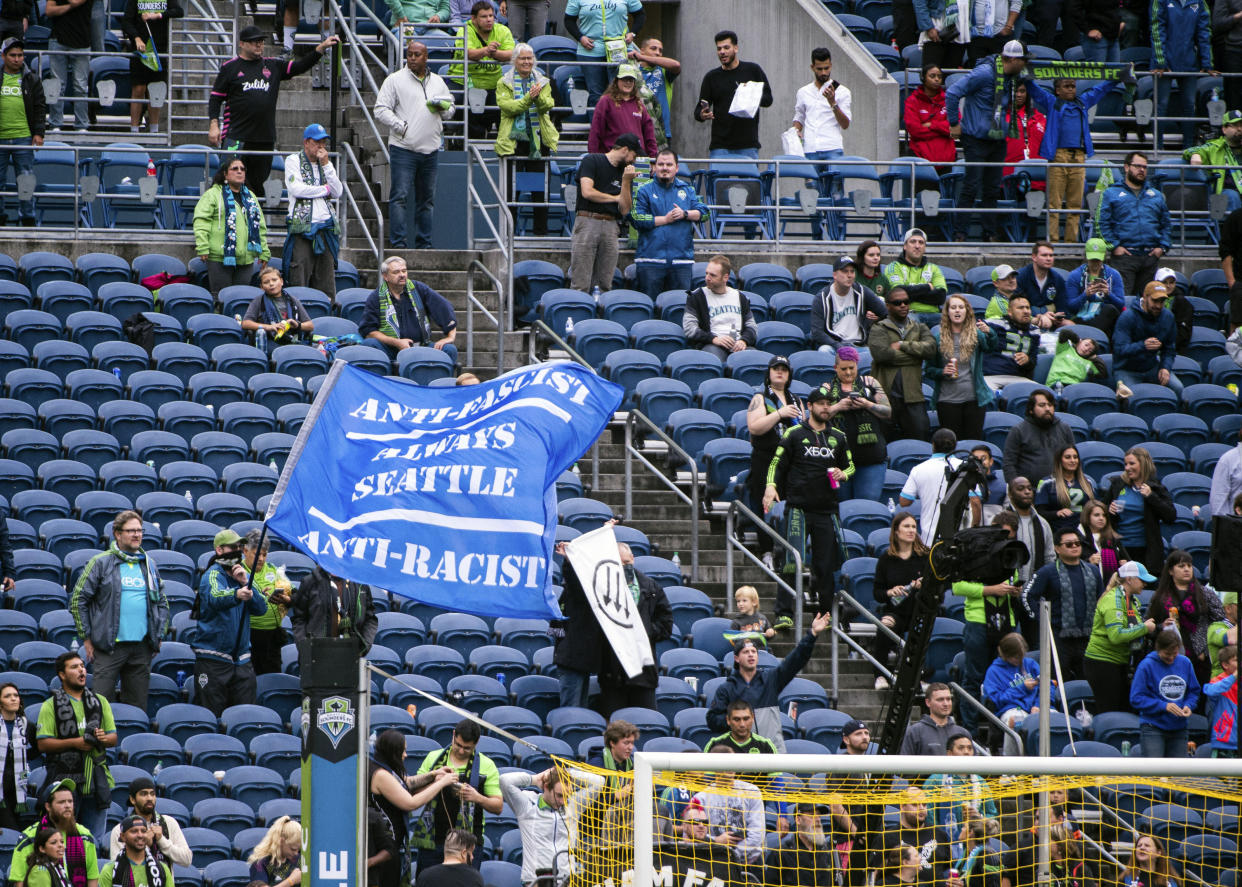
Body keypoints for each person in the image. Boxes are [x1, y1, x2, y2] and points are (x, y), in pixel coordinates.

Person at [208, 25, 340, 193]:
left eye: (261, 41)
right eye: (254, 41)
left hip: (264, 138)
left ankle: (254, 217)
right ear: (242, 43)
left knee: (256, 185)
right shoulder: (230, 67)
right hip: (236, 136)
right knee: (227, 181)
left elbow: (299, 66)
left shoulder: (273, 65)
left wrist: (320, 49)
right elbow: (215, 98)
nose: (259, 45)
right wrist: (213, 124)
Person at [763, 388, 854, 612]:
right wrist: (770, 485)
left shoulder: (839, 437)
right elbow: (776, 463)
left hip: (827, 511)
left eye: (828, 403)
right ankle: (784, 613)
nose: (825, 407)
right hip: (798, 509)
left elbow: (850, 466)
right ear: (810, 406)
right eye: (820, 403)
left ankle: (824, 614)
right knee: (791, 563)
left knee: (825, 566)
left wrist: (844, 474)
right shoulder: (793, 433)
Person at [68, 511, 167, 709]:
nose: (136, 535)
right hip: (108, 648)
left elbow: (161, 601)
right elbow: (78, 600)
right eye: (131, 531)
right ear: (117, 533)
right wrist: (86, 637)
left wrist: (158, 634)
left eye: (139, 531)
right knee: (100, 709)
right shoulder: (100, 562)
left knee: (137, 710)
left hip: (141, 648)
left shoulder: (148, 564)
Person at [945, 40, 1031, 243]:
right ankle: (960, 233)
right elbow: (952, 92)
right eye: (1023, 60)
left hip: (997, 138)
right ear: (1012, 59)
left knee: (993, 188)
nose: (1025, 64)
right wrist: (954, 122)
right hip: (975, 137)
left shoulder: (1012, 77)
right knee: (971, 186)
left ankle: (989, 233)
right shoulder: (984, 73)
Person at [706, 613, 831, 751]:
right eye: (746, 652)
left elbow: (795, 661)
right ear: (736, 658)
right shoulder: (727, 689)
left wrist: (812, 634)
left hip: (773, 752)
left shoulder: (770, 680)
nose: (751, 654)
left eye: (754, 651)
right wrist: (734, 719)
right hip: (741, 755)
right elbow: (712, 720)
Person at [376, 40, 454, 251]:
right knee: (399, 196)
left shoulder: (438, 81)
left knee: (426, 200)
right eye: (409, 54)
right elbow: (380, 109)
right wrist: (401, 126)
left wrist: (443, 109)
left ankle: (424, 245)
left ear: (426, 57)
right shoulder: (395, 80)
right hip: (403, 149)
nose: (412, 58)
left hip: (431, 150)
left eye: (417, 54)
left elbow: (450, 109)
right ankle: (399, 244)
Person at [1027, 77, 1124, 244]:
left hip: (1079, 157)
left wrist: (1116, 78)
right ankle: (1054, 243)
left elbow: (1100, 90)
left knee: (1075, 204)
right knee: (1054, 204)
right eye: (1067, 86)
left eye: (1073, 86)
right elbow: (1034, 90)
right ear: (1057, 90)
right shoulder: (1051, 102)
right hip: (1058, 156)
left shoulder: (1083, 102)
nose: (1071, 89)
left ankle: (1071, 243)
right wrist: (1025, 74)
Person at [953, 512, 1022, 730]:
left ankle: (997, 729)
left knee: (1003, 678)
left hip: (1005, 622)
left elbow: (1014, 581)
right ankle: (969, 731)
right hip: (978, 621)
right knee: (974, 678)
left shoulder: (1011, 554)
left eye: (1010, 536)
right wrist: (990, 589)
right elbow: (957, 587)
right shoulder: (974, 553)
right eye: (1003, 535)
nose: (1006, 541)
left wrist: (1014, 591)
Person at [36, 652, 116, 839]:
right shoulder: (50, 705)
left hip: (95, 781)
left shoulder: (100, 701)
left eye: (82, 666)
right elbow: (43, 744)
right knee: (61, 840)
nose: (81, 670)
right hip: (65, 782)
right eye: (74, 667)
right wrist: (75, 743)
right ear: (62, 675)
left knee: (92, 841)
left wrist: (103, 738)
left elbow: (113, 738)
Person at [369, 728, 460, 887]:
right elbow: (411, 803)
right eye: (402, 751)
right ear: (393, 752)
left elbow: (408, 783)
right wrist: (441, 783)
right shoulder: (381, 775)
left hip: (390, 844)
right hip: (383, 846)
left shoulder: (382, 765)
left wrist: (433, 774)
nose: (406, 755)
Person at [193, 528, 267, 717]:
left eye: (240, 547)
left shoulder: (242, 574)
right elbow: (215, 597)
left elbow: (261, 607)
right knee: (210, 716)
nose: (238, 551)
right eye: (233, 547)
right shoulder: (212, 574)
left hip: (242, 661)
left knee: (244, 717)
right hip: (213, 659)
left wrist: (244, 582)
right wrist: (236, 594)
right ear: (220, 550)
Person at [411, 720, 503, 870]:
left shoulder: (487, 765)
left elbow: (498, 806)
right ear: (453, 735)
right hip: (433, 839)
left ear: (476, 743)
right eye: (458, 745)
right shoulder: (433, 759)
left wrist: (477, 797)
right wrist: (436, 782)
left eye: (467, 748)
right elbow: (414, 793)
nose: (461, 751)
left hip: (468, 844)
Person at [745, 355, 804, 580]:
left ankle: (788, 552)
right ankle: (767, 550)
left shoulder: (795, 399)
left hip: (789, 461)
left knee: (791, 505)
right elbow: (755, 427)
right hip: (766, 457)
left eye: (784, 369)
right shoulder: (760, 397)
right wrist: (779, 414)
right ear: (768, 372)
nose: (780, 372)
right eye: (776, 369)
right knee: (765, 504)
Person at [596, 543, 672, 716]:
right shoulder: (602, 587)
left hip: (643, 673)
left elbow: (666, 623)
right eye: (619, 563)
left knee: (646, 723)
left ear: (633, 559)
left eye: (627, 562)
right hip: (613, 674)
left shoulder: (651, 587)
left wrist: (642, 632)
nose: (624, 567)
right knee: (615, 726)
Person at [1026, 526, 1104, 681]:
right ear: (1057, 548)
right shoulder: (1047, 572)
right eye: (1069, 544)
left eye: (1077, 543)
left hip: (1088, 638)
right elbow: (1028, 596)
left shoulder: (1093, 571)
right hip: (1058, 640)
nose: (1074, 546)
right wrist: (1043, 621)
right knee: (1058, 683)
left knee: (1088, 681)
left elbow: (1100, 600)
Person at [495, 42, 557, 236]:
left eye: (530, 58)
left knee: (540, 191)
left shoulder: (543, 81)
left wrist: (537, 98)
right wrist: (528, 98)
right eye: (522, 58)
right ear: (514, 60)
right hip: (513, 142)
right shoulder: (503, 82)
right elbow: (509, 107)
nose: (526, 62)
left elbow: (548, 105)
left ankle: (540, 233)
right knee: (511, 192)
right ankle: (508, 235)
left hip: (537, 142)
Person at [567, 133, 638, 293]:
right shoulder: (592, 160)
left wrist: (626, 182)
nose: (634, 160)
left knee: (605, 284)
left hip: (612, 225)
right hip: (588, 221)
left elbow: (625, 208)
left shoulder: (625, 173)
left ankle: (601, 316)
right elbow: (587, 192)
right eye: (634, 155)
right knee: (580, 283)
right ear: (625, 150)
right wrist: (614, 198)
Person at [630, 148, 706, 298]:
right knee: (650, 310)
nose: (665, 168)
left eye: (669, 164)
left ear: (676, 168)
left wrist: (685, 214)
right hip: (650, 261)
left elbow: (704, 213)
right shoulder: (643, 190)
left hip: (681, 261)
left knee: (678, 308)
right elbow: (636, 218)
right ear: (654, 167)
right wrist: (665, 219)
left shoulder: (688, 189)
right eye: (661, 164)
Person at [1147, 549, 1227, 690]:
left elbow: (1221, 621)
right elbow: (1148, 625)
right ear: (1171, 571)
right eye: (1181, 566)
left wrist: (1206, 650)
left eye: (1189, 566)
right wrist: (1161, 626)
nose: (1187, 570)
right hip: (1171, 657)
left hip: (1200, 658)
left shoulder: (1205, 593)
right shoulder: (1160, 597)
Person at [1084, 560, 1159, 712]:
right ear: (1129, 579)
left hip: (1121, 662)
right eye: (1142, 580)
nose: (1145, 584)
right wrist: (1144, 628)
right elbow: (1116, 636)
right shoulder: (1113, 600)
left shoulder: (1133, 600)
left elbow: (1134, 628)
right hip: (1102, 662)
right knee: (1109, 710)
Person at [193, 156, 270, 296]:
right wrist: (202, 246)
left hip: (246, 259)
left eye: (242, 169)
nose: (239, 171)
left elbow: (260, 227)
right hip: (219, 257)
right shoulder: (212, 195)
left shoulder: (251, 196)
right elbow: (201, 221)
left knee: (240, 298)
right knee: (221, 298)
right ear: (225, 174)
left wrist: (264, 251)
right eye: (235, 169)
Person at [360, 255, 459, 365]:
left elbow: (444, 307)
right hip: (390, 349)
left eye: (404, 271)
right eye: (396, 272)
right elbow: (369, 331)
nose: (402, 275)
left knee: (449, 349)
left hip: (421, 347)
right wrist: (397, 342)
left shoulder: (418, 289)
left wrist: (450, 337)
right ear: (385, 276)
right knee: (369, 344)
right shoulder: (376, 297)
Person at [868, 285, 938, 442]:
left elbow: (932, 349)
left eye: (906, 302)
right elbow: (882, 355)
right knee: (881, 442)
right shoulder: (879, 328)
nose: (903, 305)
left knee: (921, 438)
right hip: (884, 396)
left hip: (912, 395)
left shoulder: (919, 327)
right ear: (888, 306)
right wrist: (916, 357)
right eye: (897, 302)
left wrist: (903, 345)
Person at [822, 345, 890, 502]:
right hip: (837, 460)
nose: (848, 372)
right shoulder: (827, 388)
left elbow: (888, 412)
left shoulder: (870, 383)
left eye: (851, 368)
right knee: (841, 506)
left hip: (871, 457)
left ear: (857, 366)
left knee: (868, 505)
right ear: (835, 368)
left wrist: (867, 404)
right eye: (843, 369)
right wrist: (839, 406)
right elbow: (817, 416)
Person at [1097, 152, 1171, 295]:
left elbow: (1166, 223)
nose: (1141, 170)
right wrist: (1114, 246)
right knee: (1122, 301)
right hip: (1124, 258)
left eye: (1144, 167)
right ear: (1126, 167)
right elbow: (1101, 223)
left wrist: (1162, 247)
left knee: (1148, 303)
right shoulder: (1110, 193)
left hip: (1150, 258)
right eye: (1137, 166)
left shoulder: (1156, 195)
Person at [927, 294, 998, 442]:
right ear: (947, 312)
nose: (957, 311)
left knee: (973, 442)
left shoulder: (976, 334)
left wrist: (990, 333)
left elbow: (991, 348)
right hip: (947, 400)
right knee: (953, 444)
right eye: (953, 308)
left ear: (967, 311)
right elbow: (928, 369)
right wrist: (942, 371)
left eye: (961, 307)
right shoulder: (937, 336)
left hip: (974, 399)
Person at [693, 30, 773, 158]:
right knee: (719, 178)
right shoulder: (711, 77)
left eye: (726, 47)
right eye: (719, 49)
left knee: (749, 178)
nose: (722, 52)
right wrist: (702, 115)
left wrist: (750, 93)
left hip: (748, 143)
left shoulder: (753, 70)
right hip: (720, 145)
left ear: (736, 48)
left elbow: (768, 100)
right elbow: (698, 110)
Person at [281, 123, 341, 295]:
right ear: (306, 142)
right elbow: (297, 190)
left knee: (326, 281)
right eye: (317, 142)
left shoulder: (325, 164)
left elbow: (337, 191)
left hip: (326, 227)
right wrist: (324, 190)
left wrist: (327, 165)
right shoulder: (294, 160)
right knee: (299, 277)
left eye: (324, 142)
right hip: (303, 228)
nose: (321, 146)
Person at [873, 512, 930, 691]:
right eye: (907, 526)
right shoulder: (886, 559)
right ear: (896, 531)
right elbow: (877, 593)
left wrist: (925, 584)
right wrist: (890, 592)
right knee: (885, 625)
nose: (911, 530)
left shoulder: (925, 557)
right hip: (897, 612)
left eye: (914, 526)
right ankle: (880, 675)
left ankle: (920, 677)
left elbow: (939, 587)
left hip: (920, 611)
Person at [899, 428, 983, 546]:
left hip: (929, 541)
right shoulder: (966, 469)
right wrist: (973, 530)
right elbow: (975, 502)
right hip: (960, 541)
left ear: (933, 445)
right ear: (955, 446)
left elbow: (904, 502)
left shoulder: (918, 470)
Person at [11, 780, 101, 887]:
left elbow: (92, 879)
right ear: (48, 807)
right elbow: (19, 881)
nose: (67, 806)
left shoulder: (85, 836)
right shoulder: (30, 837)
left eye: (70, 801)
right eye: (61, 802)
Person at [1150, 0, 1213, 151]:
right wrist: (1161, 62)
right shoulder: (1160, 1)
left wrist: (1207, 63)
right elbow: (1157, 29)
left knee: (1189, 106)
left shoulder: (1199, 2)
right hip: (1164, 65)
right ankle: (1157, 148)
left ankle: (1189, 148)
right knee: (1161, 105)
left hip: (1189, 62)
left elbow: (1205, 32)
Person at [688, 742, 765, 865]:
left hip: (750, 863)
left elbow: (757, 834)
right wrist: (717, 841)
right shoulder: (699, 799)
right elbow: (692, 835)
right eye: (726, 762)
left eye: (733, 762)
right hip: (715, 863)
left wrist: (733, 857)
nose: (730, 766)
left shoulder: (752, 792)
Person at [1104, 446, 1176, 574]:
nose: (1127, 468)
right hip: (1121, 548)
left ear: (1143, 464)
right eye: (1125, 464)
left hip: (1146, 551)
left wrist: (1151, 497)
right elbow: (1101, 512)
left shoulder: (1155, 487)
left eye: (1132, 463)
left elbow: (1170, 516)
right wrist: (1109, 510)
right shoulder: (1118, 485)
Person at [1131, 628, 1200, 757]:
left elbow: (1193, 692)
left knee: (1177, 775)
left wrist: (1189, 705)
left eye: (1174, 654)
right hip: (1153, 727)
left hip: (1179, 729)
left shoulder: (1185, 663)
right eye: (1167, 654)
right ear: (1158, 649)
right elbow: (1136, 698)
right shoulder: (1146, 665)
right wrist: (1164, 706)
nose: (1171, 658)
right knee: (1155, 774)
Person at [562, 0, 644, 105]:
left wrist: (633, 33)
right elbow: (569, 20)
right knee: (596, 95)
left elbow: (640, 14)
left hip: (620, 49)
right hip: (590, 51)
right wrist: (580, 37)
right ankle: (597, 121)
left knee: (621, 93)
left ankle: (619, 121)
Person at [451, 1, 514, 139]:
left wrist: (493, 53)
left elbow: (511, 54)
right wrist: (487, 50)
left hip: (493, 84)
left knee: (508, 104)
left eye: (491, 15)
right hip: (463, 82)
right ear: (473, 19)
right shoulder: (464, 30)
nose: (489, 19)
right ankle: (467, 140)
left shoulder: (502, 30)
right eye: (484, 16)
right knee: (462, 104)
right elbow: (469, 53)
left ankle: (505, 144)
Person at [119, 0, 181, 134]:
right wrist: (136, 38)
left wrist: (157, 15)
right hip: (140, 51)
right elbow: (126, 22)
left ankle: (154, 130)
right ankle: (134, 130)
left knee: (155, 90)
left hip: (159, 50)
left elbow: (179, 11)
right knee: (138, 89)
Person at [0, 37, 43, 227]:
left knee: (26, 180)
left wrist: (39, 133)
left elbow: (40, 107)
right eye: (12, 55)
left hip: (23, 137)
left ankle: (27, 218)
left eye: (20, 55)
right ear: (3, 56)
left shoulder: (32, 79)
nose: (17, 59)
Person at [499, 769, 568, 886]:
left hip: (565, 880)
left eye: (566, 796)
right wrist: (534, 779)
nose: (562, 801)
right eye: (559, 795)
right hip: (535, 881)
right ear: (546, 786)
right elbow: (504, 781)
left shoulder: (572, 806)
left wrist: (569, 773)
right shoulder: (527, 804)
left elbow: (599, 781)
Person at [683, 254, 759, 360]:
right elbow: (689, 328)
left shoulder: (740, 297)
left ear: (725, 277)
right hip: (712, 345)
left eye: (713, 275)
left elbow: (752, 327)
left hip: (738, 344)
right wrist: (714, 339)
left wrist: (744, 341)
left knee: (755, 360)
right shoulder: (696, 297)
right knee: (712, 359)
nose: (707, 278)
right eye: (706, 274)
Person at [290, 565, 378, 657]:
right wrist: (305, 649)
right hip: (315, 656)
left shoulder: (360, 584)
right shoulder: (310, 582)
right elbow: (299, 619)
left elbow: (370, 618)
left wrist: (365, 645)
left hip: (351, 655)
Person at [1113, 281, 1182, 395]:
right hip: (1127, 369)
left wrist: (1165, 367)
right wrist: (1143, 345)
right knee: (1131, 396)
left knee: (1177, 388)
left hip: (1151, 367)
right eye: (1155, 301)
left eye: (1162, 301)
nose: (1159, 305)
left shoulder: (1168, 317)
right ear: (1145, 297)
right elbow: (1119, 349)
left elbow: (1169, 349)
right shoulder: (1128, 317)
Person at [922, 729, 998, 832]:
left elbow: (992, 814)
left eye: (970, 748)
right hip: (943, 842)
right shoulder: (935, 780)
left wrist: (979, 817)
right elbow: (929, 817)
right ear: (950, 753)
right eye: (961, 748)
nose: (966, 752)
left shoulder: (980, 782)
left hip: (975, 840)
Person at [810, 256, 886, 358]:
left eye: (852, 271)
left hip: (859, 347)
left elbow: (886, 313)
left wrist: (877, 320)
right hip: (834, 347)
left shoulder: (862, 291)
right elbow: (817, 332)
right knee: (824, 351)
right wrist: (837, 346)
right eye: (845, 271)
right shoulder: (822, 297)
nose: (849, 275)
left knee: (873, 354)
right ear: (835, 275)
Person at [106, 776, 190, 867]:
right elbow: (118, 869)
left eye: (152, 794)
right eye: (144, 794)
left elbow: (186, 859)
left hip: (166, 881)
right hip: (133, 881)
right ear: (132, 799)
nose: (149, 798)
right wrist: (144, 845)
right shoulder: (121, 830)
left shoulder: (169, 823)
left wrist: (161, 840)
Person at [981, 632, 1042, 755]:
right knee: (1015, 721)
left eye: (1022, 656)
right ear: (1005, 655)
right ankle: (1011, 766)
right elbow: (996, 700)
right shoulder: (994, 672)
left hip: (1035, 706)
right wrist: (1022, 688)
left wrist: (1038, 705)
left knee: (1055, 718)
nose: (1019, 660)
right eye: (1015, 657)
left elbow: (1047, 686)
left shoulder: (1030, 664)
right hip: (1011, 708)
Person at [1002, 389, 1076, 484]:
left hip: (1059, 489)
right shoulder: (1018, 430)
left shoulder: (1065, 429)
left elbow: (1073, 460)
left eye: (1050, 405)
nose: (1047, 409)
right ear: (1031, 410)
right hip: (1028, 492)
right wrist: (1016, 487)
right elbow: (1009, 464)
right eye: (1042, 405)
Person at [793, 47, 850, 166]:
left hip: (832, 147)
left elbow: (845, 124)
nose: (823, 72)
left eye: (826, 68)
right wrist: (796, 131)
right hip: (810, 148)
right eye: (819, 69)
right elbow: (799, 116)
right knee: (812, 184)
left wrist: (833, 103)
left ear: (831, 66)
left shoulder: (843, 91)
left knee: (835, 183)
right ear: (812, 67)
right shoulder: (803, 92)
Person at [1059, 238, 1125, 336]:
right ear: (1086, 256)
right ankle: (1092, 337)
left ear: (1103, 257)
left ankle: (1092, 338)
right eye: (1092, 259)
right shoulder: (1075, 275)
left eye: (1098, 259)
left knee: (1110, 309)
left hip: (1106, 317)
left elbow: (1120, 305)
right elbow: (1070, 307)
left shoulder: (1114, 275)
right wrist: (1085, 295)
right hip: (1081, 317)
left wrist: (1108, 294)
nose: (1095, 263)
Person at [588, 64, 656, 157]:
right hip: (613, 160)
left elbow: (649, 134)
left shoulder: (639, 104)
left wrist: (653, 158)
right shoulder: (606, 101)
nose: (628, 82)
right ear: (616, 81)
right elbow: (596, 131)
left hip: (637, 160)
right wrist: (593, 158)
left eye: (631, 80)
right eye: (624, 79)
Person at [241, 266, 314, 350]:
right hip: (270, 341)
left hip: (292, 340)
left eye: (274, 280)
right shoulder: (258, 301)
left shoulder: (293, 300)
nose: (271, 284)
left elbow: (310, 326)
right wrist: (269, 327)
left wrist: (297, 325)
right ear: (261, 287)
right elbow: (245, 323)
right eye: (266, 282)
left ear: (282, 281)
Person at [43, 0, 90, 132]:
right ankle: (55, 124)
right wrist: (70, 7)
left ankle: (81, 125)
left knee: (80, 86)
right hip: (58, 40)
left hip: (82, 42)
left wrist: (63, 6)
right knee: (56, 85)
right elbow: (49, 11)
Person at [765, 802, 837, 887]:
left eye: (819, 815)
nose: (818, 819)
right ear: (798, 820)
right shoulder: (781, 854)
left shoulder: (828, 852)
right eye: (811, 815)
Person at [1185, 110, 1242, 213]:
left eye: (1241, 125)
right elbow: (1188, 151)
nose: (1240, 129)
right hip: (1226, 193)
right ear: (1224, 129)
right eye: (1235, 125)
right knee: (1232, 196)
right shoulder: (1214, 147)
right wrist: (1196, 155)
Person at [882, 229, 948, 315]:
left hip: (934, 315)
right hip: (908, 315)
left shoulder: (934, 268)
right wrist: (927, 287)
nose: (917, 246)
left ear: (925, 247)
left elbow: (941, 297)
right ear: (905, 246)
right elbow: (898, 294)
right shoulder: (894, 267)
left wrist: (910, 294)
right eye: (913, 242)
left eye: (921, 242)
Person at [983, 290, 1039, 390]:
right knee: (988, 394)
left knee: (1041, 393)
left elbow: (1033, 362)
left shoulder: (1034, 331)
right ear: (1010, 312)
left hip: (1019, 378)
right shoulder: (996, 324)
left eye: (1027, 308)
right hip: (992, 376)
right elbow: (972, 328)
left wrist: (1027, 360)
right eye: (1020, 308)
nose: (1026, 311)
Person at [1034, 445, 1095, 535]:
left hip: (1083, 532)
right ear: (1059, 460)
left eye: (1075, 457)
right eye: (1067, 457)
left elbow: (1094, 508)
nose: (1072, 461)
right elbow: (1039, 513)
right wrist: (1057, 513)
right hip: (1056, 532)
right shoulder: (1046, 483)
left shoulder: (1087, 483)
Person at [631, 35, 678, 150]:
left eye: (660, 50)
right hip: (637, 131)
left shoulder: (664, 71)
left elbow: (676, 66)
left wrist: (643, 58)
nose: (657, 53)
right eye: (653, 48)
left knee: (662, 167)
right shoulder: (632, 71)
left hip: (661, 132)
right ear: (642, 50)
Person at [1008, 477, 1055, 591]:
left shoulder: (1043, 523)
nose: (1027, 491)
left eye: (1029, 488)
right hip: (1008, 593)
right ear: (1010, 494)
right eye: (1021, 488)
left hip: (1037, 592)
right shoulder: (1003, 522)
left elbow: (1049, 559)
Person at [905, 64, 955, 171]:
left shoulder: (949, 100)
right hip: (921, 158)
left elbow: (955, 128)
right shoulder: (912, 101)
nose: (937, 79)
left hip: (947, 159)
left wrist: (931, 125)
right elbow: (915, 130)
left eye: (939, 76)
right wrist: (942, 129)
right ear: (923, 78)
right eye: (932, 76)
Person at [100, 816, 173, 887]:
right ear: (123, 836)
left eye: (143, 831)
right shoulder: (110, 870)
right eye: (134, 831)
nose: (140, 835)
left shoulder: (162, 869)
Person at [0, 682, 32, 831]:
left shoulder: (25, 724)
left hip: (18, 787)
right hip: (0, 788)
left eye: (16, 695)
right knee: (12, 831)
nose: (13, 699)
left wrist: (24, 757)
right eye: (7, 696)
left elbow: (39, 748)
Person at [1014, 242, 1069, 326]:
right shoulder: (1021, 276)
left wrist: (1058, 316)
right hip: (1027, 319)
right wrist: (1041, 315)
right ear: (1034, 257)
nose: (1049, 258)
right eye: (1044, 255)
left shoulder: (1057, 279)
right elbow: (1018, 306)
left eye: (1051, 255)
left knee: (1070, 324)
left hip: (1052, 319)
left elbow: (1062, 306)